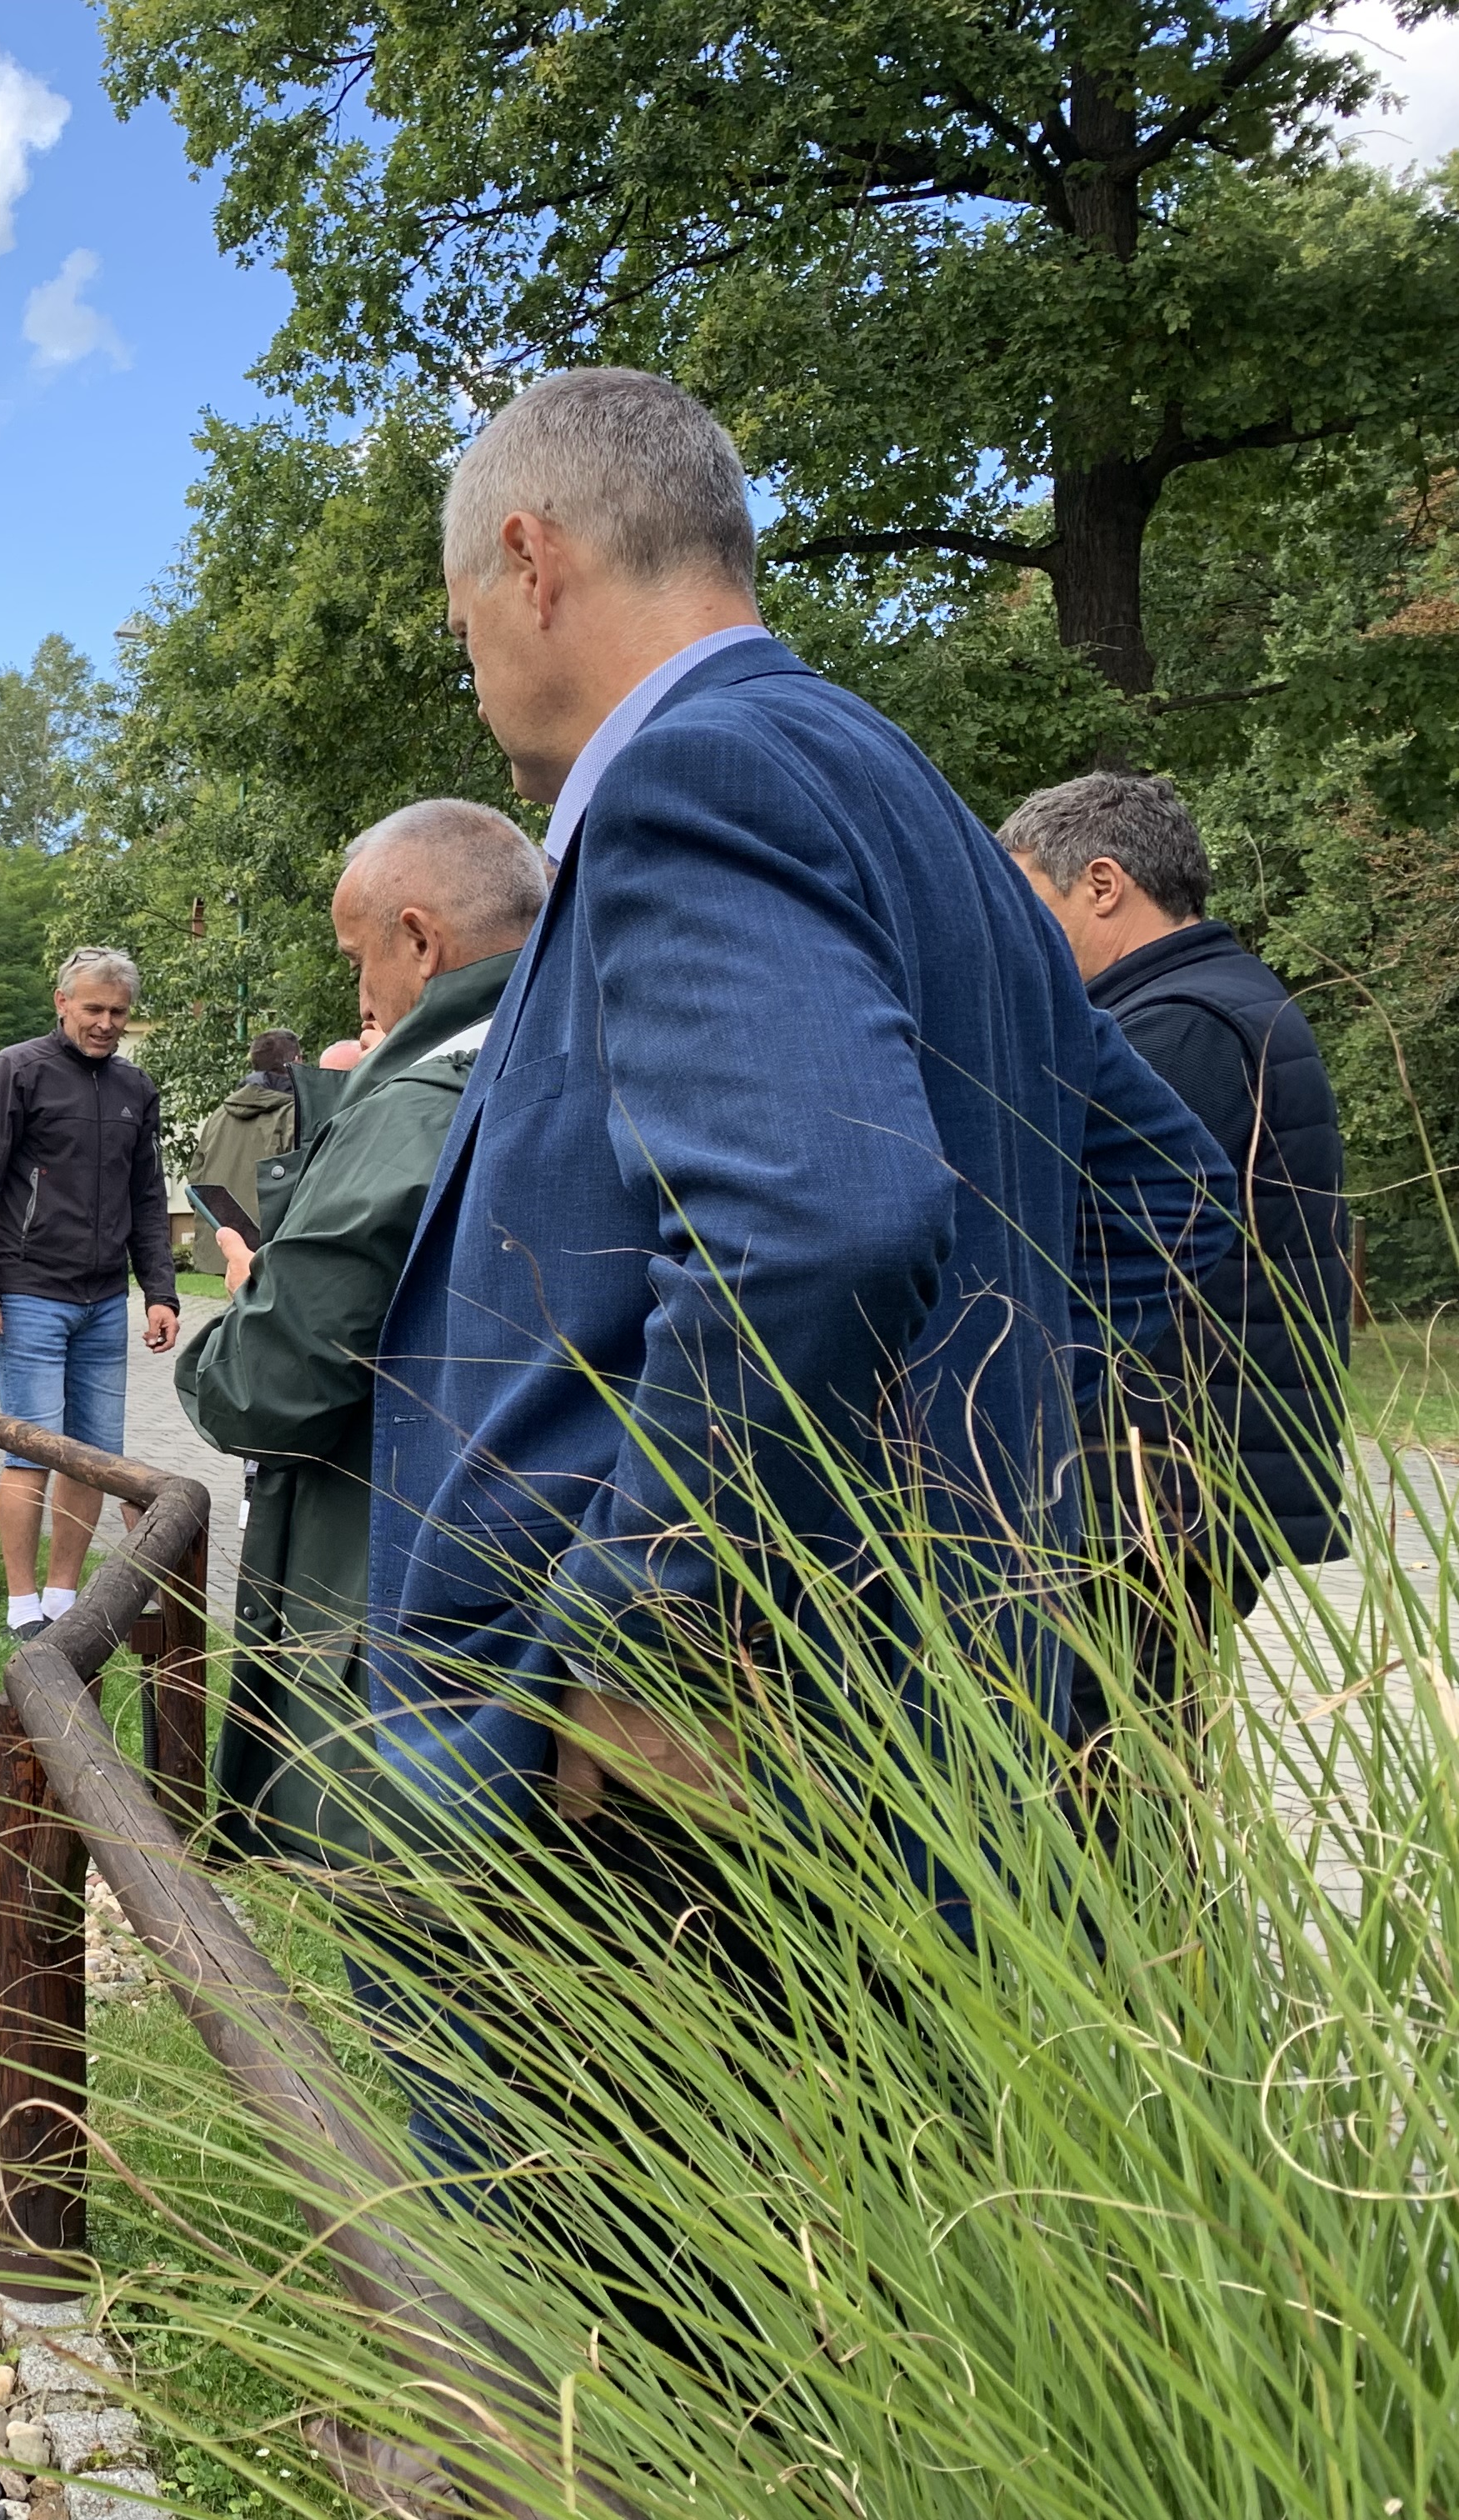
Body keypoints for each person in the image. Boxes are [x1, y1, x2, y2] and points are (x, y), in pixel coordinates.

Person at [360, 368, 1227, 2169]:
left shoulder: (693, 775)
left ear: (531, 560)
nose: (478, 674)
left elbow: (810, 1222)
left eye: (462, 628)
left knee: (600, 2319)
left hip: (639, 1765)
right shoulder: (902, 789)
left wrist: (650, 1627)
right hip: (881, 1719)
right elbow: (1161, 1189)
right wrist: (984, 1520)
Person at [174, 803, 546, 1868]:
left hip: (405, 1651)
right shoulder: (583, 1053)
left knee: (414, 1998)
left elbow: (267, 1387)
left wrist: (239, 1312)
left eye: (360, 959)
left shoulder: (422, 1103)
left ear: (421, 940)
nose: (362, 996)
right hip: (534, 1631)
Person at [1004, 769, 1352, 1738]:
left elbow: (1109, 1239)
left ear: (1103, 884)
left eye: (1029, 900)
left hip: (1150, 1491)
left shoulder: (1177, 1026)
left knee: (1101, 1783)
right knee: (1136, 1767)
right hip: (1171, 1484)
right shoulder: (1215, 1000)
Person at [0, 948, 181, 1641]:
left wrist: (160, 1291)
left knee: (94, 1451)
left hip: (105, 1299)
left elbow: (148, 1197)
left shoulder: (135, 1089)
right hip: (28, 1293)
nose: (106, 1023)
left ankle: (62, 1595)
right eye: (94, 1010)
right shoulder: (17, 1070)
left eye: (118, 1012)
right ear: (61, 1002)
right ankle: (21, 1605)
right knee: (32, 1449)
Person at [186, 1028, 302, 1229]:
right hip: (267, 1254)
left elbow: (195, 1188)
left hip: (216, 1251)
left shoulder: (218, 1116)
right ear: (297, 1061)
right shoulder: (297, 1115)